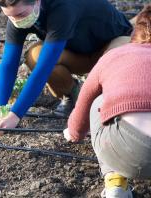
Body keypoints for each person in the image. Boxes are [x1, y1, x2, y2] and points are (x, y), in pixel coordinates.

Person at [0, 0, 133, 136]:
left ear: (37, 1)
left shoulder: (62, 7)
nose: (16, 21)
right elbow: (8, 64)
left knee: (114, 63)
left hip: (114, 44)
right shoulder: (17, 14)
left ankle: (112, 107)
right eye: (10, 16)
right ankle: (71, 93)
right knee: (34, 56)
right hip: (79, 53)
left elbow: (44, 69)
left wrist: (16, 115)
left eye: (20, 14)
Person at [64, 4, 151, 197]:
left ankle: (116, 184)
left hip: (132, 152)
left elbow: (84, 102)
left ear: (135, 35)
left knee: (99, 102)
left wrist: (75, 132)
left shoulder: (115, 55)